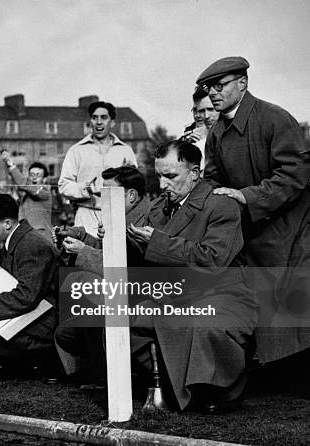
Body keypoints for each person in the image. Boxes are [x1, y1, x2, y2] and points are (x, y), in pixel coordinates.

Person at [126, 140, 257, 413]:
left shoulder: (221, 204)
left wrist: (157, 243)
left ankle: (212, 392)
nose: (162, 185)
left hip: (223, 294)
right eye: (159, 176)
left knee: (205, 324)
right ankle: (168, 385)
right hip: (178, 294)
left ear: (195, 173)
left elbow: (212, 260)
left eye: (171, 176)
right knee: (122, 322)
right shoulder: (158, 207)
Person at [198, 56, 310, 363]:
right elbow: (212, 178)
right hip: (254, 230)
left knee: (296, 306)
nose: (213, 94)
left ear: (243, 83)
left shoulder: (275, 118)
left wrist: (246, 196)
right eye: (210, 89)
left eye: (220, 86)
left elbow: (295, 175)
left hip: (292, 231)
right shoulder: (218, 129)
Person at [54, 166, 150, 384]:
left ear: (131, 195)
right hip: (121, 298)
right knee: (65, 333)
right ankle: (98, 370)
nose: (101, 201)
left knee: (83, 287)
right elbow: (110, 252)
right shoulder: (123, 215)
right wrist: (82, 237)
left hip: (136, 299)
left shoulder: (142, 222)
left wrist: (83, 250)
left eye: (108, 194)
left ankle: (105, 375)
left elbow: (125, 266)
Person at [0, 193, 59, 373]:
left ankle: (43, 359)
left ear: (7, 223)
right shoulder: (16, 240)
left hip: (43, 323)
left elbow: (26, 296)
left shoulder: (31, 245)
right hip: (29, 315)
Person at [58, 101, 137, 237]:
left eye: (103, 118)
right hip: (86, 213)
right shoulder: (77, 151)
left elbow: (135, 186)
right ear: (90, 122)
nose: (98, 122)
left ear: (112, 122)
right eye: (94, 118)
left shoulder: (125, 150)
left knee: (117, 257)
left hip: (117, 215)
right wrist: (85, 189)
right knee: (84, 256)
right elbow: (63, 185)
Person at [0, 150, 52, 239]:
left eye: (38, 175)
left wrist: (9, 162)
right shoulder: (27, 194)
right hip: (27, 236)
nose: (34, 177)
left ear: (44, 179)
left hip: (40, 238)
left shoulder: (45, 193)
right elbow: (18, 183)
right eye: (31, 175)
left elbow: (22, 183)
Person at [180, 87, 219, 172]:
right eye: (200, 111)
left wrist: (203, 144)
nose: (205, 116)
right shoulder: (188, 133)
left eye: (211, 109)